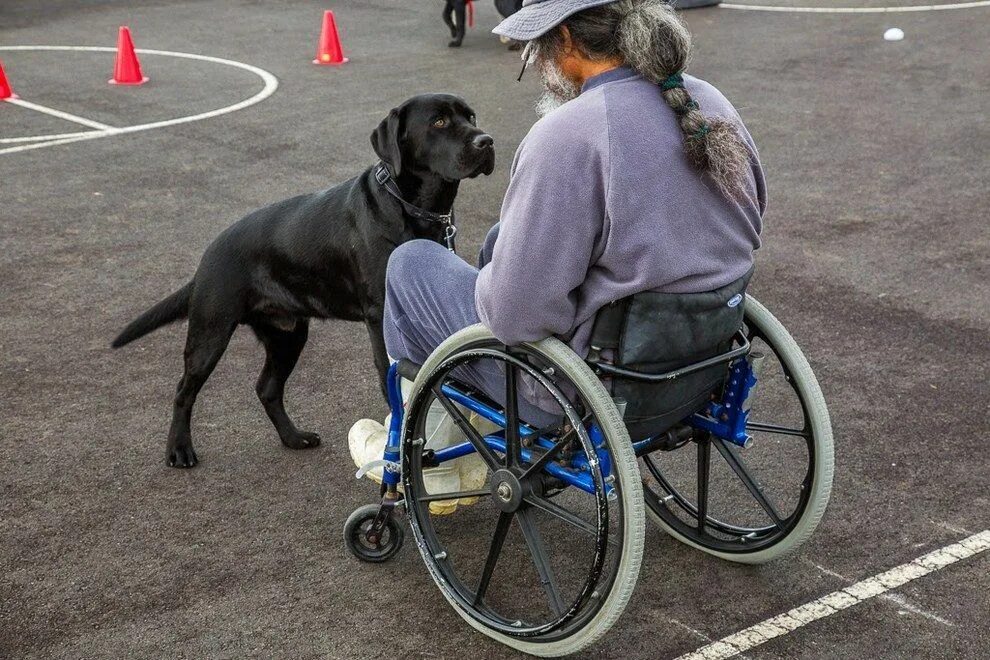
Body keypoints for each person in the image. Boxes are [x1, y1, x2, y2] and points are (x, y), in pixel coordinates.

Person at [349, 0, 766, 512]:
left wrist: (492, 281)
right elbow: (749, 220)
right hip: (702, 357)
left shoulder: (568, 133)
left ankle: (430, 453)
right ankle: (460, 426)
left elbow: (516, 318)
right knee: (504, 238)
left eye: (538, 47)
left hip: (590, 384)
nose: (538, 63)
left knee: (412, 263)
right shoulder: (706, 99)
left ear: (565, 41)